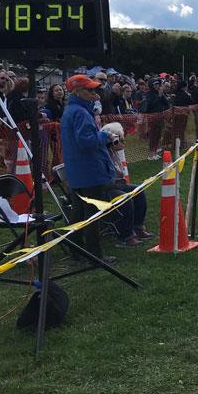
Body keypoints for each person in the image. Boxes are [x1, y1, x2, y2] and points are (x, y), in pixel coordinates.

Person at [59, 75, 117, 265]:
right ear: (77, 92)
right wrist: (104, 136)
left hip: (77, 171)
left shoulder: (71, 110)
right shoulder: (80, 113)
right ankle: (95, 255)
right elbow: (86, 142)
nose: (94, 94)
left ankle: (75, 251)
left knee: (78, 213)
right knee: (92, 214)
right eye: (90, 90)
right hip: (89, 171)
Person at [101, 122, 154, 247]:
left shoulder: (113, 152)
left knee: (138, 190)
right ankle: (124, 236)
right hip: (103, 189)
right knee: (124, 199)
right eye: (122, 141)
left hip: (114, 184)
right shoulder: (103, 153)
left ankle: (137, 227)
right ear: (113, 140)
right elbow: (109, 177)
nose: (124, 143)